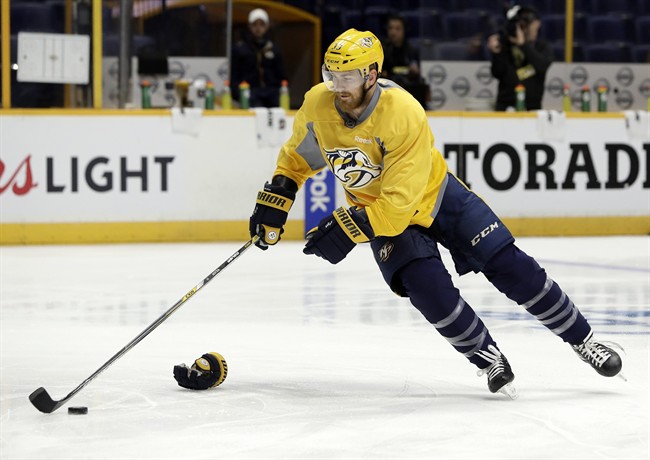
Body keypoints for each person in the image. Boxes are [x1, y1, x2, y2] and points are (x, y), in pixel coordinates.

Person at [176, 29, 623, 394]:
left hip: (437, 198)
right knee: (429, 291)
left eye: (347, 79)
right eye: (331, 76)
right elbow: (298, 159)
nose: (338, 89)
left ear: (373, 74)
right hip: (378, 211)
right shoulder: (317, 105)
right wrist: (276, 199)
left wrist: (347, 227)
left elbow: (399, 205)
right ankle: (487, 357)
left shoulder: (402, 112)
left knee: (511, 267)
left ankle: (585, 341)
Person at [487, 5, 553, 111]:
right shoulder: (505, 44)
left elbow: (542, 66)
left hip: (532, 108)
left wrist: (523, 45)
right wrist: (496, 54)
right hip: (505, 108)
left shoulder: (542, 47)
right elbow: (497, 73)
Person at [230, 8, 286, 108]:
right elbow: (234, 76)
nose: (258, 28)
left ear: (267, 26)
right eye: (255, 24)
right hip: (249, 93)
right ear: (249, 26)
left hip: (271, 93)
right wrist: (237, 94)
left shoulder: (274, 49)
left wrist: (278, 91)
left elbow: (281, 76)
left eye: (261, 24)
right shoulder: (239, 49)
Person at [381, 14, 429, 108]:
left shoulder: (412, 51)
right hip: (388, 91)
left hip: (408, 89)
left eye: (397, 28)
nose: (393, 32)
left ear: (404, 31)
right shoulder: (382, 50)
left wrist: (414, 71)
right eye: (391, 28)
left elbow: (416, 75)